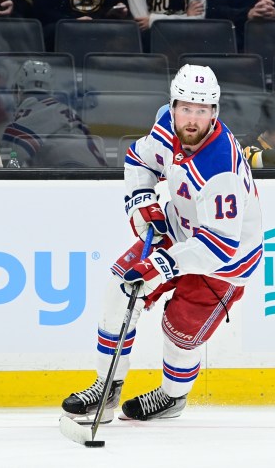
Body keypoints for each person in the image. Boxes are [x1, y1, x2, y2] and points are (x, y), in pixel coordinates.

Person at [61, 64, 263, 422]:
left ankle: (172, 398)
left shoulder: (222, 170)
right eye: (186, 107)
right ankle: (105, 390)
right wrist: (143, 200)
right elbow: (139, 159)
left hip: (224, 261)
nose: (192, 118)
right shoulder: (165, 126)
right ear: (173, 106)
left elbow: (217, 246)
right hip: (177, 227)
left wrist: (159, 266)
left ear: (214, 112)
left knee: (181, 330)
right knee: (119, 288)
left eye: (202, 111)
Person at [0, 60, 102, 167]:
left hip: (70, 177)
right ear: (51, 90)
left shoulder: (30, 113)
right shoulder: (68, 111)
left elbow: (14, 162)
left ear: (18, 89)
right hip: (99, 176)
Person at [128, 0, 206, 32]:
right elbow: (142, 24)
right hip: (151, 42)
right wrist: (186, 17)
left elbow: (197, 22)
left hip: (185, 38)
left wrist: (153, 20)